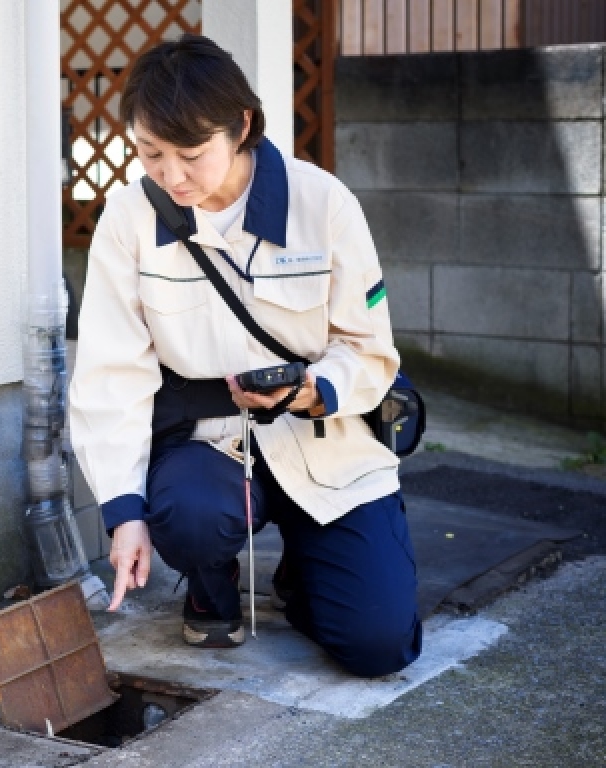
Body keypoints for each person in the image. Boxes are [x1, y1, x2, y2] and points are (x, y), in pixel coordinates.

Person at [67, 34, 422, 678]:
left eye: (191, 155)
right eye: (150, 152)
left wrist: (314, 391)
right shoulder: (128, 218)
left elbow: (371, 352)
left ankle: (306, 571)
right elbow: (110, 376)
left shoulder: (325, 204)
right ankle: (210, 578)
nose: (171, 175)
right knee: (190, 517)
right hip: (210, 449)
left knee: (380, 646)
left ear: (243, 127)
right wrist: (123, 513)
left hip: (327, 440)